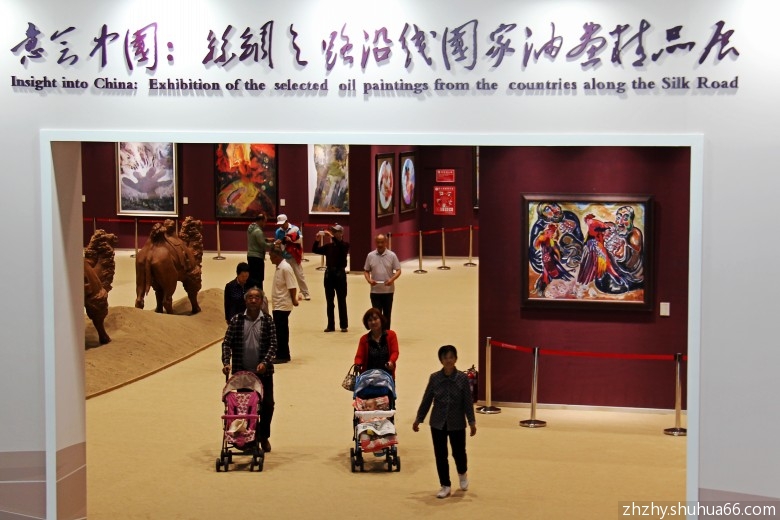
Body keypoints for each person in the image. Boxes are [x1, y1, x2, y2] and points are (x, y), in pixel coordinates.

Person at [413, 345, 477, 499]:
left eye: (451, 357)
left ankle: (462, 473)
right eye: (445, 358)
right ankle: (445, 485)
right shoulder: (434, 378)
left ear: (456, 359)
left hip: (457, 423)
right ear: (440, 360)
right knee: (440, 455)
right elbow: (427, 399)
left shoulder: (462, 378)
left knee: (459, 453)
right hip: (437, 422)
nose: (448, 360)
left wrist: (471, 421)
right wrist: (419, 418)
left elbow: (467, 402)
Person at [221, 287, 277, 453]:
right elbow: (226, 343)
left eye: (257, 297)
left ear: (261, 301)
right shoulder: (236, 320)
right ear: (245, 301)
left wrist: (265, 362)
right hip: (243, 374)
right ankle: (247, 439)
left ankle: (263, 436)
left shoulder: (267, 320)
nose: (253, 300)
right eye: (250, 297)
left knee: (268, 405)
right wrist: (226, 362)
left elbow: (273, 345)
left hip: (263, 373)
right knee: (245, 408)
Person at [313, 224, 350, 332]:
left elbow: (340, 247)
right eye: (333, 231)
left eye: (336, 231)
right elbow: (315, 250)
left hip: (340, 275)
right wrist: (317, 240)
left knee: (341, 300)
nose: (333, 233)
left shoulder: (345, 245)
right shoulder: (328, 247)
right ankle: (330, 325)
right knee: (329, 301)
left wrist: (331, 236)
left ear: (341, 233)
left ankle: (343, 325)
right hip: (329, 275)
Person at [363, 234, 401, 328]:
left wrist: (392, 279)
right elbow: (366, 270)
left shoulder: (392, 255)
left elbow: (398, 270)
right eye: (378, 242)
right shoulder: (370, 255)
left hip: (388, 291)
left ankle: (387, 333)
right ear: (375, 243)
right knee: (376, 315)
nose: (380, 244)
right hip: (375, 291)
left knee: (387, 314)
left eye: (382, 242)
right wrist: (369, 280)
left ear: (386, 243)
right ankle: (377, 332)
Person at [268, 245, 298, 363]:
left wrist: (294, 300)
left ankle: (283, 355)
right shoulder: (279, 267)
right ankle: (280, 352)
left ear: (277, 256)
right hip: (278, 304)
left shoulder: (285, 268)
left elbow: (292, 286)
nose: (270, 259)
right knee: (279, 330)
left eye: (271, 257)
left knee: (281, 331)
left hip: (283, 304)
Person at [354, 308, 398, 379]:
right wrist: (357, 364)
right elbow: (359, 356)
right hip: (368, 378)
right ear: (367, 323)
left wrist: (391, 361)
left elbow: (395, 352)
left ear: (381, 320)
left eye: (375, 319)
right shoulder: (364, 339)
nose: (373, 322)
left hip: (387, 377)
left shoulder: (391, 335)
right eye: (370, 320)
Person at [274, 214, 310, 300]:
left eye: (282, 223)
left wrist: (291, 240)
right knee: (283, 277)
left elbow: (300, 240)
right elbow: (277, 244)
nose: (281, 225)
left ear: (287, 221)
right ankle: (285, 294)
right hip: (283, 257)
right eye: (280, 224)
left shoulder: (295, 229)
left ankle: (305, 293)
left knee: (300, 276)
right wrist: (277, 243)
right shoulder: (278, 231)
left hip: (294, 256)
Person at [246, 214, 268, 289]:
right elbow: (263, 245)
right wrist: (274, 244)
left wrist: (266, 239)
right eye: (265, 222)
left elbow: (255, 239)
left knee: (252, 277)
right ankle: (259, 294)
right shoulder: (258, 231)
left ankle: (251, 293)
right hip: (257, 257)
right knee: (259, 279)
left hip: (250, 256)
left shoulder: (250, 228)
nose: (265, 224)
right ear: (261, 221)